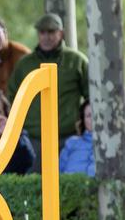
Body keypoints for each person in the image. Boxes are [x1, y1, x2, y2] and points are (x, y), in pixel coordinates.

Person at [7, 14, 88, 145]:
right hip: (33, 138)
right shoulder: (24, 64)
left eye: (51, 32)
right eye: (42, 32)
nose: (46, 37)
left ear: (61, 33)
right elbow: (12, 97)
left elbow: (91, 97)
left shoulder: (76, 61)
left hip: (68, 137)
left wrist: (84, 123)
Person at [59, 101, 125, 181]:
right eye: (89, 115)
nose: (94, 119)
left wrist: (119, 180)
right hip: (72, 196)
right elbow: (57, 174)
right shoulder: (72, 143)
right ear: (83, 120)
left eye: (99, 114)